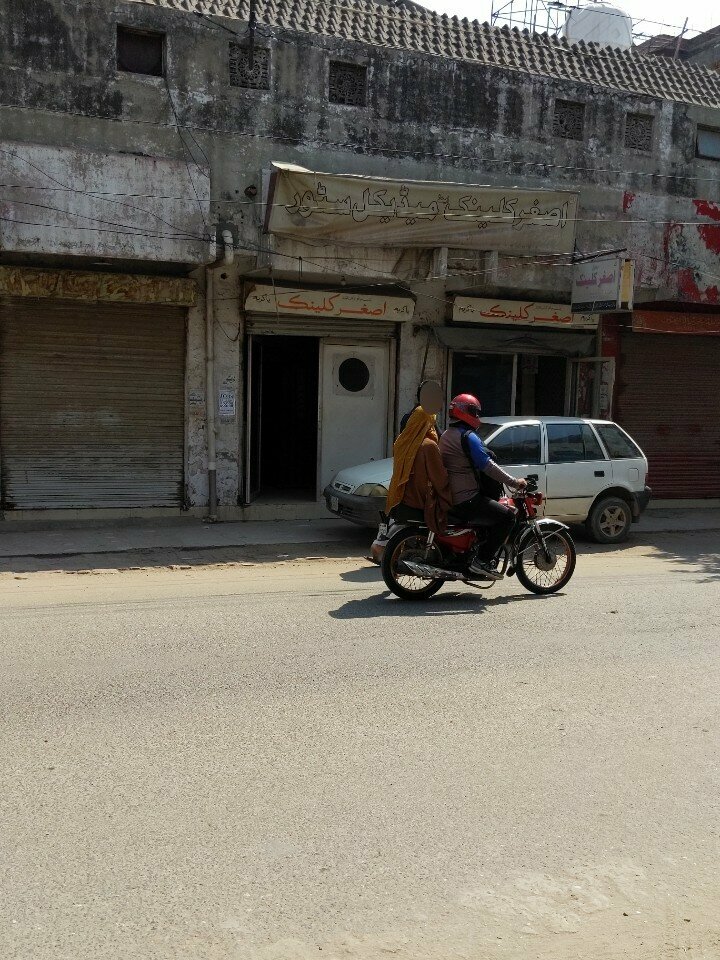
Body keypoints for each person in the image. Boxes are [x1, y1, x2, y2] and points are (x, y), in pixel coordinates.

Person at [439, 393, 527, 579]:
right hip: (467, 499)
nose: (477, 417)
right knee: (508, 518)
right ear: (465, 412)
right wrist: (513, 481)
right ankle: (482, 561)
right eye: (475, 412)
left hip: (452, 496)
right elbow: (487, 465)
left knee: (493, 513)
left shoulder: (447, 434)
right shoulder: (467, 437)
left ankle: (475, 553)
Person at [368, 381, 434, 564]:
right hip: (415, 474)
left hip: (404, 471)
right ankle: (388, 547)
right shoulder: (423, 415)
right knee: (415, 515)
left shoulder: (410, 415)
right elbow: (425, 446)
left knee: (397, 513)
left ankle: (382, 544)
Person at [384, 405, 453, 534]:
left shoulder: (401, 442)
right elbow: (440, 479)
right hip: (419, 503)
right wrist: (449, 499)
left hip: (399, 501)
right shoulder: (428, 446)